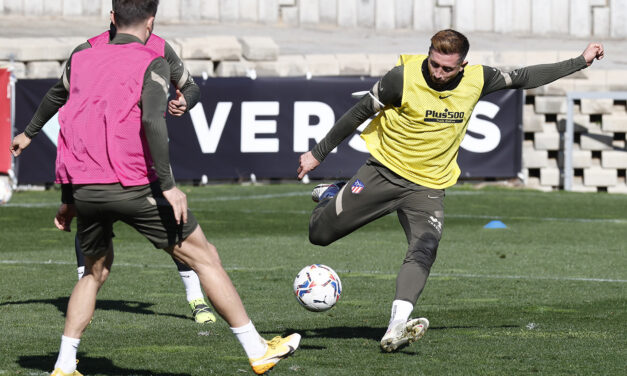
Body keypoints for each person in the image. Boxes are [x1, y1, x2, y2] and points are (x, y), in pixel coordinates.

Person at [11, 1, 300, 375]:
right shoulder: (153, 58)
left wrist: (68, 197)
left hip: (86, 187)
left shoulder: (82, 57)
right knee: (205, 256)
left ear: (112, 17)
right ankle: (256, 348)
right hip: (134, 184)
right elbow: (151, 119)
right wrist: (169, 185)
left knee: (93, 272)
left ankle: (65, 365)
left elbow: (72, 125)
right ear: (151, 21)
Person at [297, 29, 604, 352]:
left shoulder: (479, 78)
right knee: (319, 235)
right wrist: (318, 153)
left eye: (447, 69)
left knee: (425, 247)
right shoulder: (400, 79)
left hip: (428, 185)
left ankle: (396, 325)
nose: (438, 73)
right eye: (434, 65)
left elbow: (524, 77)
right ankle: (335, 194)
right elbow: (358, 112)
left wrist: (580, 61)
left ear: (463, 65)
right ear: (428, 55)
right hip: (382, 173)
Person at [12, 13, 216, 324]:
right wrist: (29, 132)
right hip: (93, 162)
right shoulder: (86, 51)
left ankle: (195, 298)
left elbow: (191, 88)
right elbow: (58, 93)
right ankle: (85, 301)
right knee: (90, 235)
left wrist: (185, 101)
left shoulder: (160, 48)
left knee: (176, 227)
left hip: (140, 164)